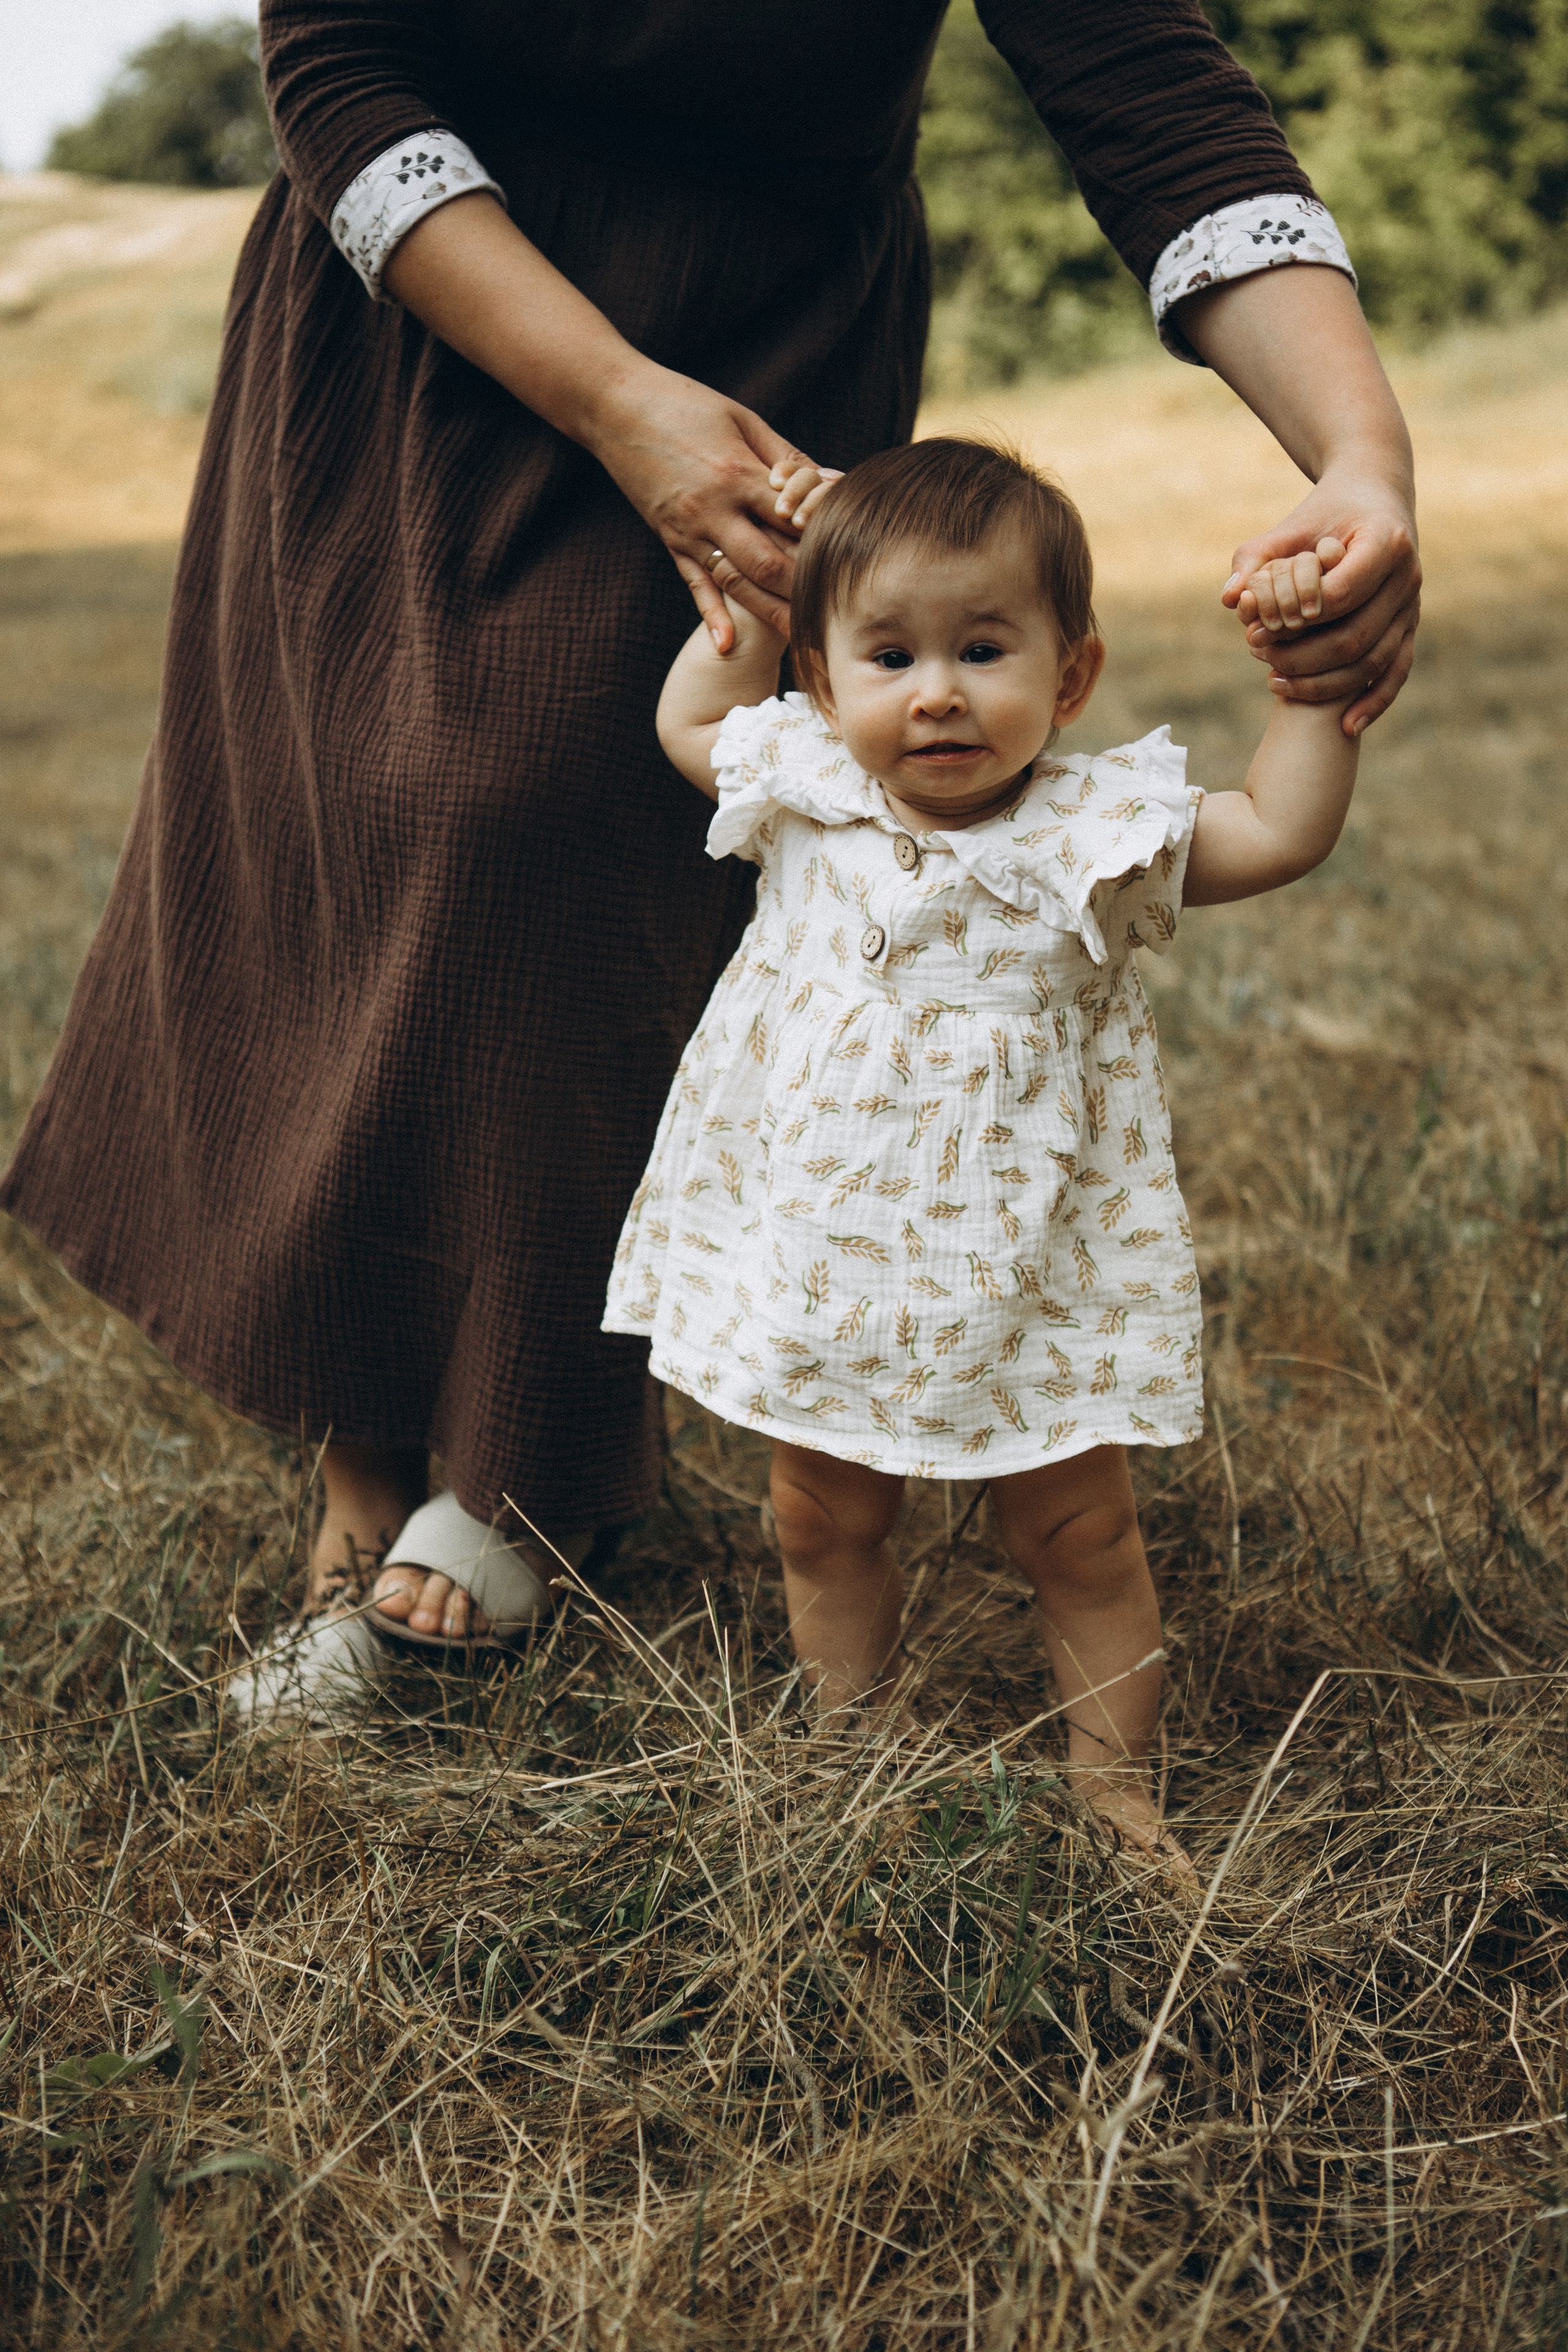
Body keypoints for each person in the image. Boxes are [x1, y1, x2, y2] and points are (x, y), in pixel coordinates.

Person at [0, 2, 1417, 1701]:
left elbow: (1159, 109)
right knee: (370, 805)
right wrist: (607, 397)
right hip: (429, 285)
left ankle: (518, 1445)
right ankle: (367, 1423)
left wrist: (1361, 455)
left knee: (551, 810)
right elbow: (339, 56)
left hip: (766, 333)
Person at [605, 436, 1360, 1847]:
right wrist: (743, 625)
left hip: (1034, 1259)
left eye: (983, 647)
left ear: (1068, 677)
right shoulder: (805, 787)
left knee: (1075, 1531)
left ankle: (1111, 1784)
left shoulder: (1091, 831)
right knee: (820, 1512)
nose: (937, 690)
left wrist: (1310, 697)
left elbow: (1275, 831)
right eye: (887, 656)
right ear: (823, 686)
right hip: (830, 1245)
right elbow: (689, 729)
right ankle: (850, 1739)